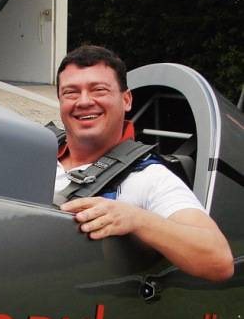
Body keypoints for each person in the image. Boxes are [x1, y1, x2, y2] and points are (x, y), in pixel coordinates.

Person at [54, 45, 233, 282]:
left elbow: (219, 260)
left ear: (126, 100)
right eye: (71, 93)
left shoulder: (150, 178)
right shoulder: (32, 154)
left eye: (99, 90)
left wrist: (137, 219)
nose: (84, 101)